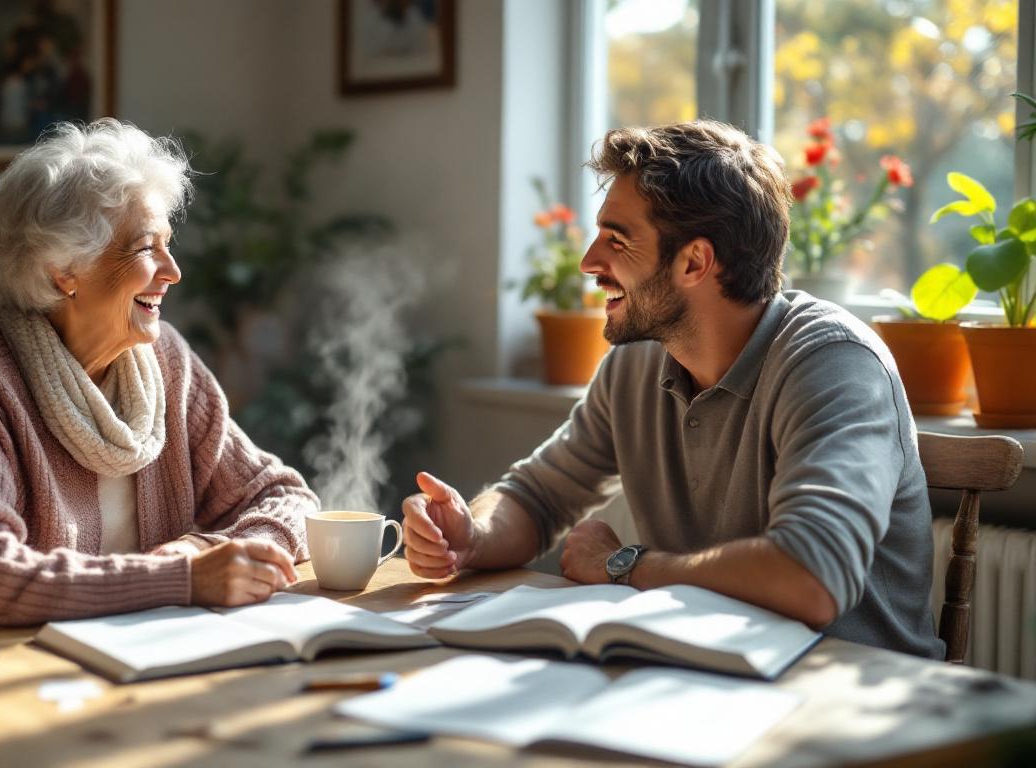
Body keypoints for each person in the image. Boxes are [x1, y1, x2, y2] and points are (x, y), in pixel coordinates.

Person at [402, 119, 943, 659]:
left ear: (694, 262)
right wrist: (473, 533)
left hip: (844, 693)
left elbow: (812, 577)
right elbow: (539, 496)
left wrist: (627, 566)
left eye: (617, 240)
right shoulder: (637, 362)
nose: (589, 262)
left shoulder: (833, 362)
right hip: (704, 673)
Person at [0, 118, 313, 626]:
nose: (173, 271)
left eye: (168, 242)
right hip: (17, 674)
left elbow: (286, 498)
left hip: (148, 658)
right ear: (64, 271)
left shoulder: (166, 363)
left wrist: (209, 551)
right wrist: (182, 579)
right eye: (144, 247)